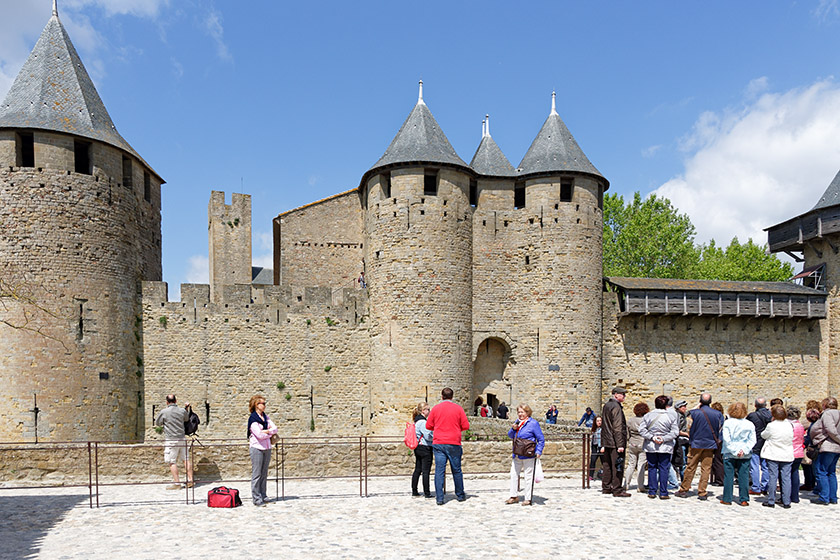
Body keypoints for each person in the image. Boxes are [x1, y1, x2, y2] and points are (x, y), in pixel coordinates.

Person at [425, 388, 470, 505]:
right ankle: (460, 495)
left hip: (439, 442)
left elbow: (429, 425)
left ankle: (439, 498)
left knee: (439, 471)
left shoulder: (435, 409)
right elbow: (465, 426)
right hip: (454, 442)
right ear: (452, 396)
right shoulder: (458, 409)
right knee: (456, 469)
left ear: (442, 396)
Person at [676, 393, 723, 501]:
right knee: (706, 468)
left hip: (696, 443)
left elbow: (688, 427)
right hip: (710, 444)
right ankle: (702, 491)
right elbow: (720, 429)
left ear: (700, 401)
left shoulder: (694, 413)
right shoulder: (717, 414)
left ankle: (684, 489)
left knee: (691, 466)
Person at [638, 395, 679, 499]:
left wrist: (652, 437)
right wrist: (664, 438)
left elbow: (642, 430)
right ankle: (663, 492)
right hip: (665, 446)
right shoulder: (671, 416)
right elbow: (675, 432)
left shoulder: (648, 416)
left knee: (652, 467)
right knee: (664, 468)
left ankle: (652, 491)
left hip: (651, 445)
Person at [506, 404, 545, 506]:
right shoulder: (517, 422)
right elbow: (510, 435)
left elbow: (540, 439)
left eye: (522, 412)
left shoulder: (533, 423)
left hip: (528, 454)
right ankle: (513, 495)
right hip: (517, 453)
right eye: (519, 412)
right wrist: (513, 429)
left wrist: (539, 451)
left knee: (528, 476)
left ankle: (528, 498)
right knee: (514, 475)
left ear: (527, 412)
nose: (520, 414)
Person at [154, 394, 194, 490]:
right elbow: (186, 419)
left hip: (171, 439)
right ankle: (190, 480)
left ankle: (177, 483)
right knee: (186, 459)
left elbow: (158, 423)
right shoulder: (181, 411)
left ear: (167, 402)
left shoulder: (164, 412)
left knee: (172, 461)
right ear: (176, 401)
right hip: (182, 438)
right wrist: (186, 408)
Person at [720, 402, 755, 506]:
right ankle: (743, 499)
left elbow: (727, 439)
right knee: (743, 476)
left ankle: (727, 498)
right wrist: (744, 450)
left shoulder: (728, 423)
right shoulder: (749, 424)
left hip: (729, 452)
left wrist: (734, 450)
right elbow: (752, 440)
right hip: (744, 452)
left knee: (728, 476)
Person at [760, 404, 794, 508]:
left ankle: (771, 500)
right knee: (786, 478)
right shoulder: (789, 424)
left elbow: (763, 435)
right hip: (786, 453)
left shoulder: (771, 425)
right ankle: (786, 501)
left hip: (773, 453)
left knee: (773, 477)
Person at [247, 394, 277, 507]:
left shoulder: (266, 417)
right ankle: (256, 498)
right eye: (262, 403)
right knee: (257, 474)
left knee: (264, 473)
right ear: (256, 405)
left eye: (265, 403)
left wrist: (266, 431)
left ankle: (263, 495)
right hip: (257, 448)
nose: (264, 405)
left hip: (267, 448)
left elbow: (275, 428)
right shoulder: (253, 419)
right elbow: (258, 435)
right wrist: (269, 432)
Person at [601, 387, 631, 497]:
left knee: (607, 465)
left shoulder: (607, 406)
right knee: (617, 465)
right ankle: (617, 489)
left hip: (607, 440)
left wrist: (603, 442)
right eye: (622, 394)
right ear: (616, 395)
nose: (624, 396)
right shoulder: (616, 407)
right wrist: (620, 444)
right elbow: (617, 427)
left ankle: (606, 487)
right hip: (614, 441)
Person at [810, 397, 840, 505]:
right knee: (831, 472)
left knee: (821, 471)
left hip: (828, 445)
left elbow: (830, 429)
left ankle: (824, 497)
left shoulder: (828, 414)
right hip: (836, 447)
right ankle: (832, 497)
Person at [746, 397, 772, 495]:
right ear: (765, 405)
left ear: (755, 405)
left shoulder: (752, 416)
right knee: (766, 466)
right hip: (766, 443)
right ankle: (765, 486)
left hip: (755, 443)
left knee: (754, 467)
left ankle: (756, 487)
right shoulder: (770, 415)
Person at [624, 402, 649, 493]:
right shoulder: (646, 420)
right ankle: (640, 486)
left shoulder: (630, 420)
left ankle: (626, 484)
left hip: (632, 443)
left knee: (631, 464)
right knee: (641, 465)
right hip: (643, 443)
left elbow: (627, 434)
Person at [411, 402, 433, 498]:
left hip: (418, 447)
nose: (429, 411)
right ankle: (427, 493)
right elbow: (428, 436)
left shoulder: (416, 421)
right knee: (425, 471)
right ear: (423, 411)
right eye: (428, 409)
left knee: (418, 469)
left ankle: (414, 490)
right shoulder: (423, 422)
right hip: (425, 447)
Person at [787, 406, 805, 504]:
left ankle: (787, 495)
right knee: (795, 474)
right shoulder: (800, 425)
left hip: (790, 451)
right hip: (799, 452)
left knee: (786, 475)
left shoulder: (788, 425)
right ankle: (795, 496)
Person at [709, 402, 726, 486]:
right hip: (722, 440)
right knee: (720, 460)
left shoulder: (715, 417)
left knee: (717, 460)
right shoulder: (722, 417)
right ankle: (719, 478)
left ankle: (719, 480)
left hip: (717, 440)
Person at [588, 416, 603, 481]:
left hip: (602, 447)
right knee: (592, 461)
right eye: (597, 421)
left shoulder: (604, 429)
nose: (599, 422)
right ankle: (590, 476)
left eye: (600, 421)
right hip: (595, 447)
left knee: (604, 462)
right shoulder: (594, 429)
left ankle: (607, 476)